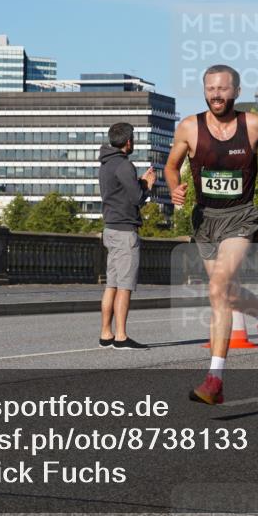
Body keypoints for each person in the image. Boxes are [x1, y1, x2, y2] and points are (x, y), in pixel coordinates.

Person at [165, 64, 258, 405]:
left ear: (236, 91)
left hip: (240, 217)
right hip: (205, 220)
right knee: (225, 292)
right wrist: (175, 189)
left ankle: (214, 380)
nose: (217, 94)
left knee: (218, 288)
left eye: (223, 89)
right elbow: (171, 166)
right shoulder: (189, 126)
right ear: (204, 91)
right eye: (211, 89)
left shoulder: (254, 124)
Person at [98, 123, 157, 350]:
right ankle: (121, 336)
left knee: (111, 284)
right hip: (125, 231)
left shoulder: (106, 164)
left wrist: (139, 182)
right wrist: (148, 186)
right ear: (129, 141)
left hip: (110, 228)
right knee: (124, 285)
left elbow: (121, 192)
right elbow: (136, 199)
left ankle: (106, 333)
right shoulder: (124, 165)